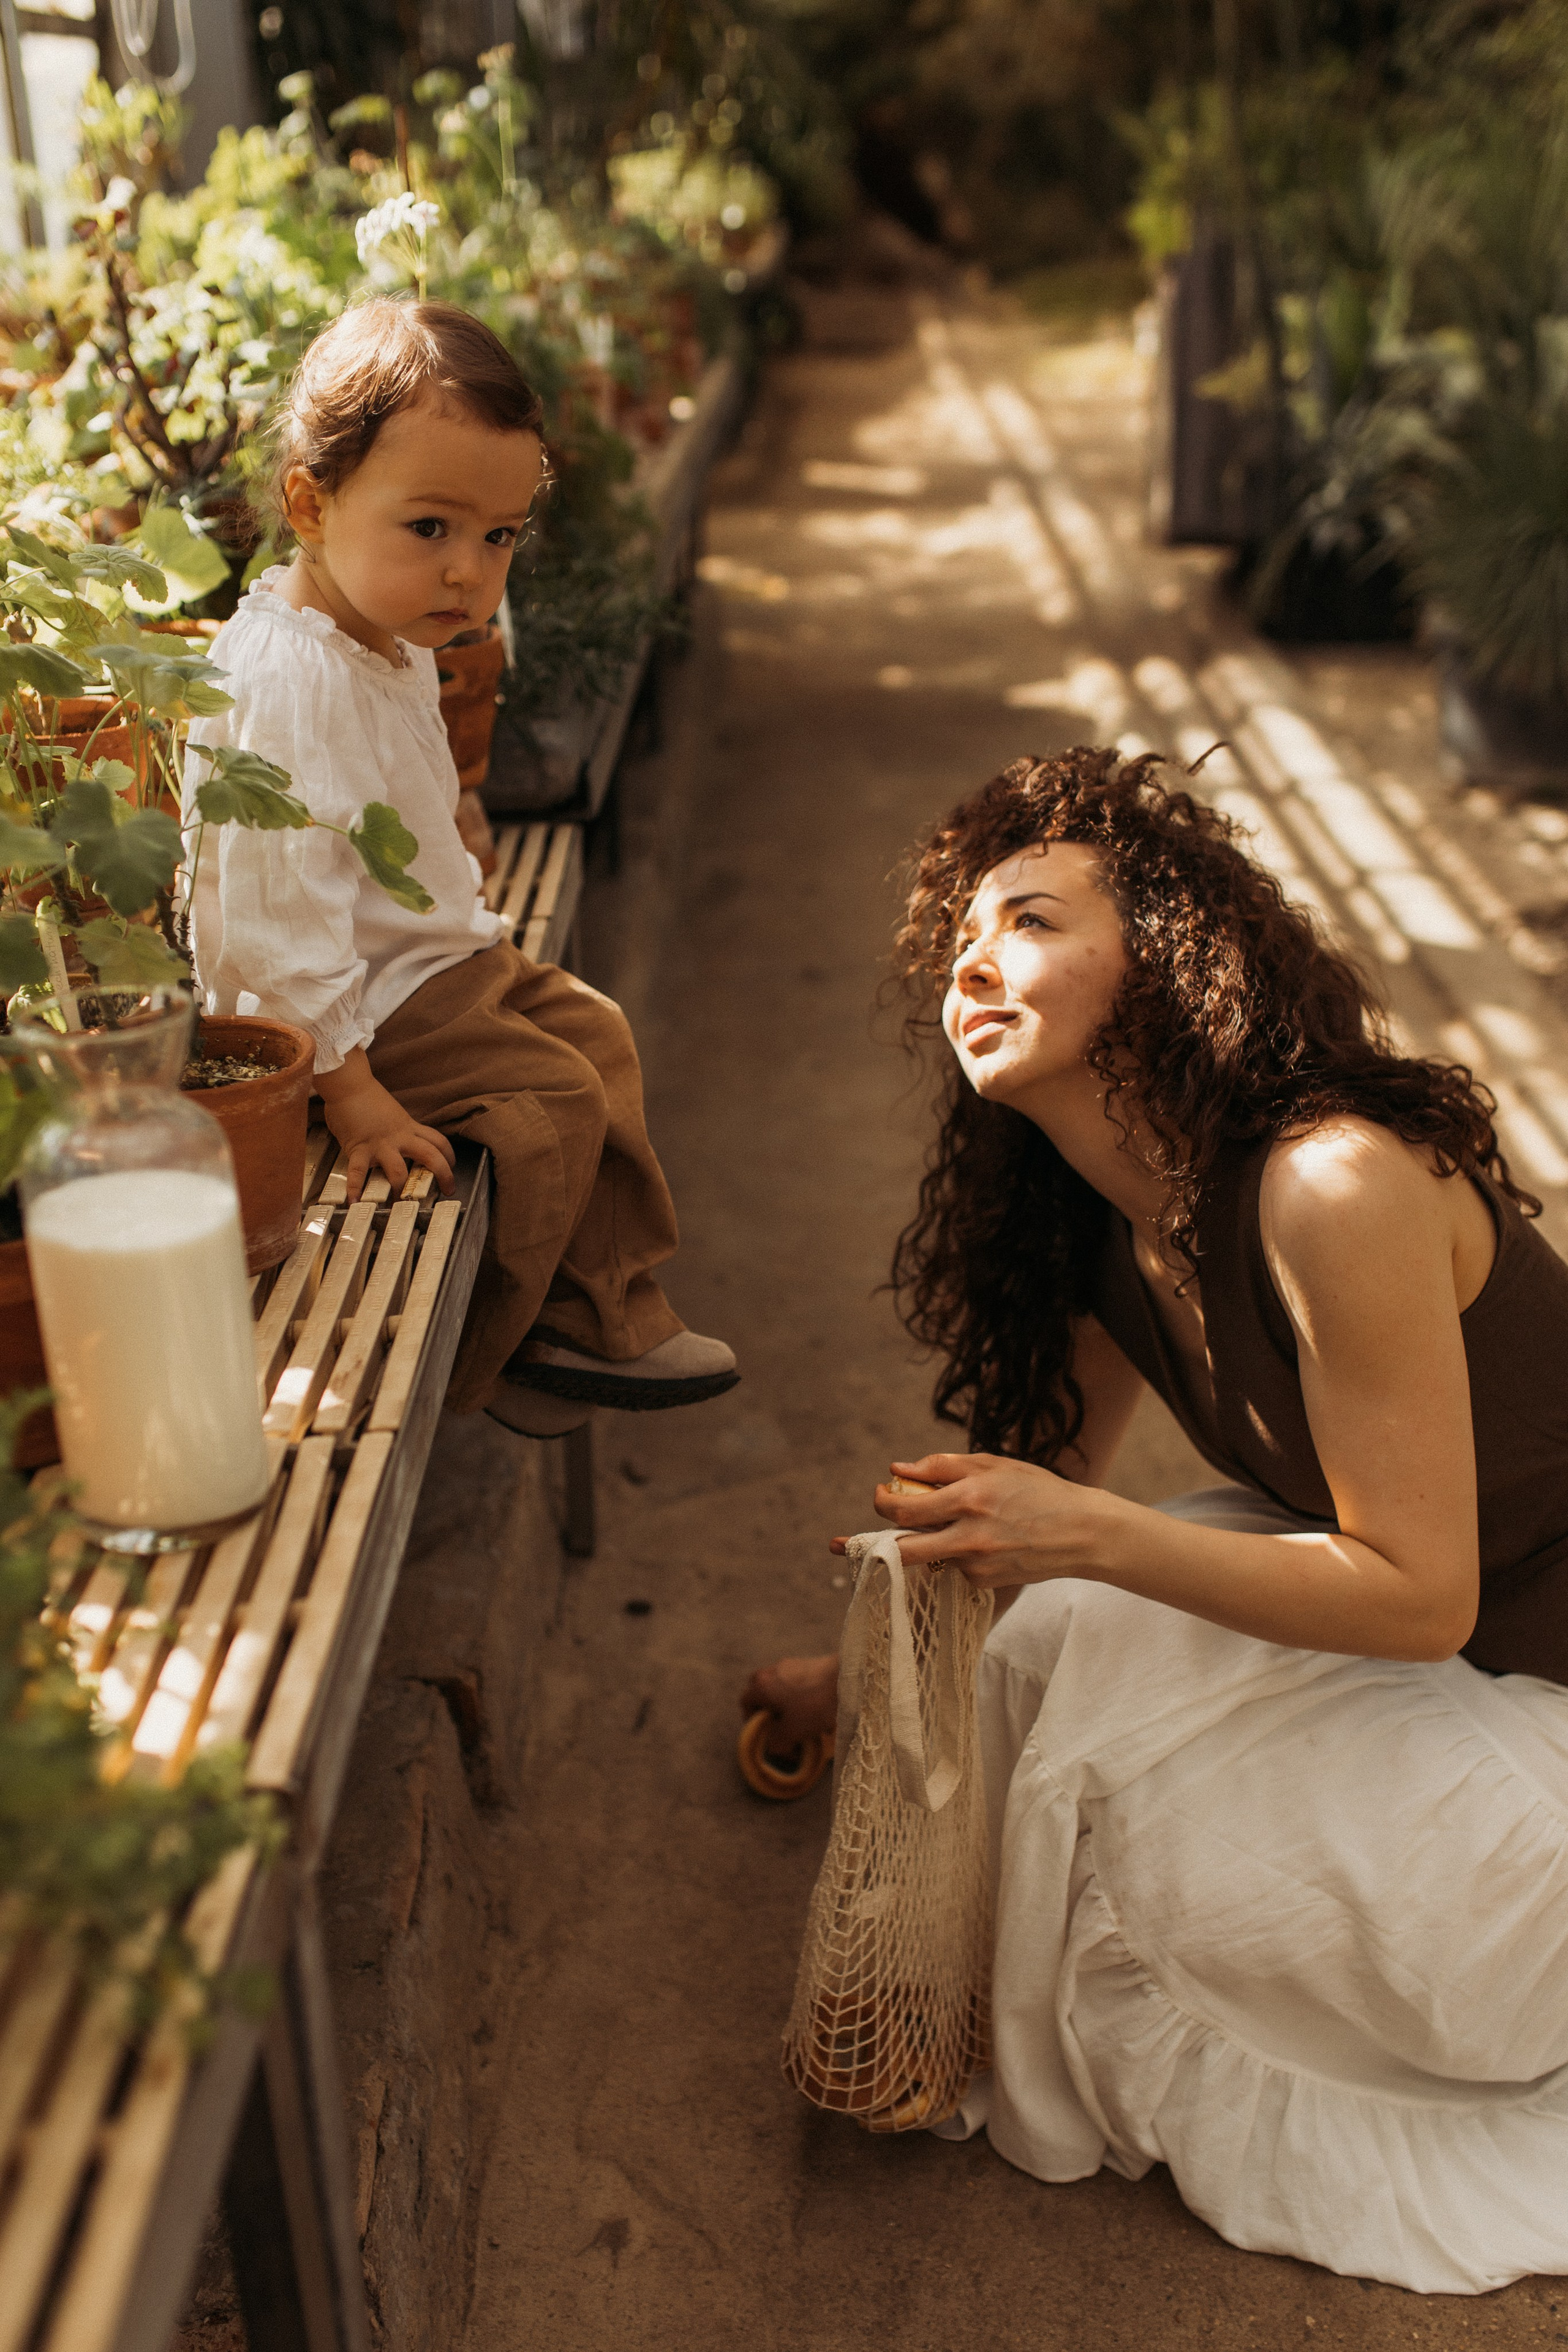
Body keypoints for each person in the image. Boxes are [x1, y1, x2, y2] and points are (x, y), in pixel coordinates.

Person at [745, 747, 1568, 2294]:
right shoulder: (1110, 1226)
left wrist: (1083, 1536)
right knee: (1072, 1633)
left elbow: (1418, 1599)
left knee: (1105, 1642)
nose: (974, 966)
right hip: (1469, 1697)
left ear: (1173, 951)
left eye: (1033, 922)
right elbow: (1022, 1510)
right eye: (959, 948)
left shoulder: (1334, 1182)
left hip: (1537, 1756)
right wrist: (854, 1680)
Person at [182, 298, 736, 1435]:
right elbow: (271, 917)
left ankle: (607, 1310)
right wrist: (352, 1092)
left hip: (426, 952)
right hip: (362, 1004)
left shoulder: (373, 633)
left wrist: (455, 829)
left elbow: (385, 804)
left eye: (497, 537)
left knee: (597, 1033)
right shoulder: (291, 678)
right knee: (551, 1099)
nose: (468, 573)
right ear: (309, 501)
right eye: (430, 527)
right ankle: (510, 1347)